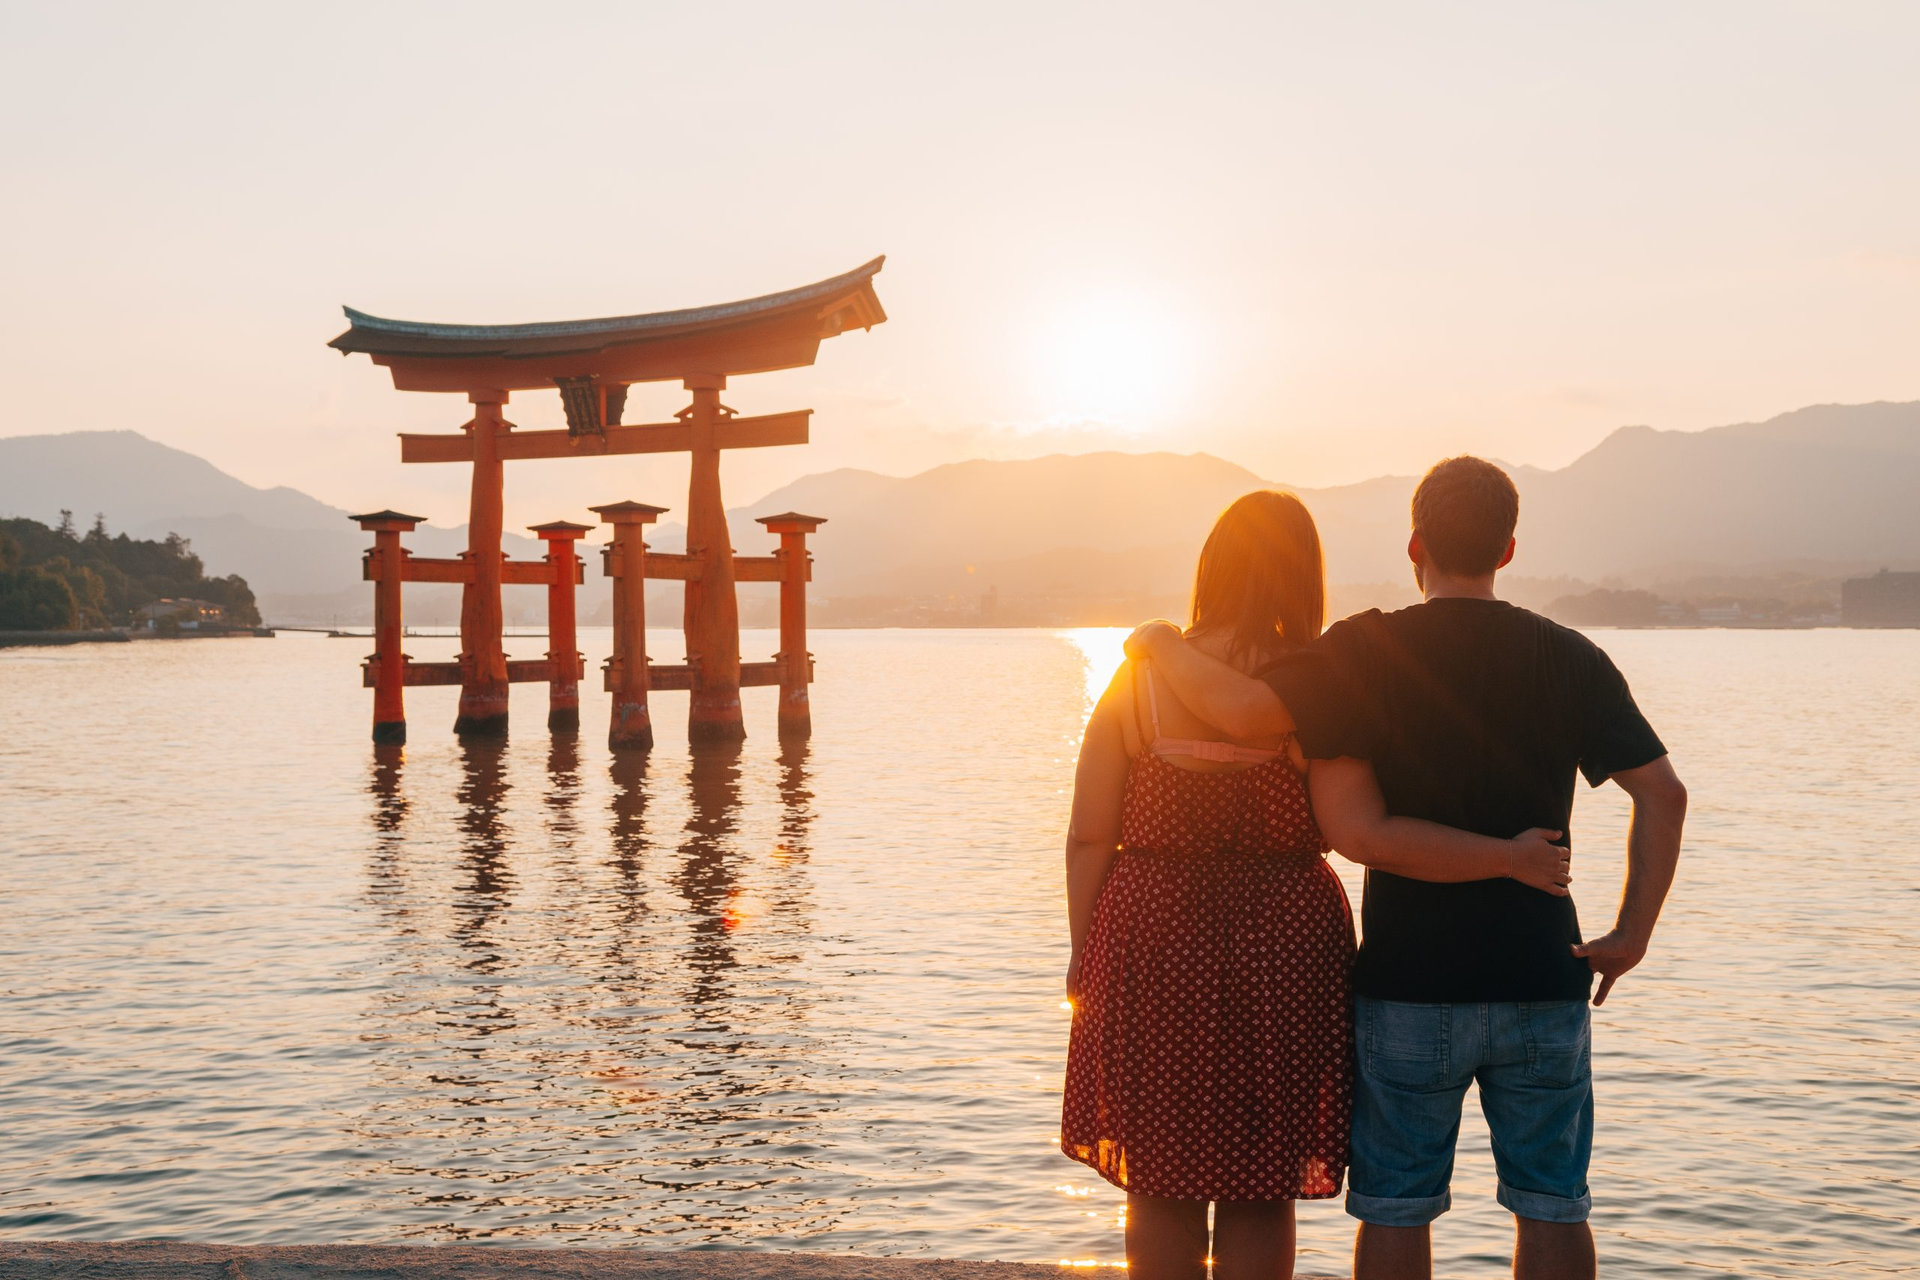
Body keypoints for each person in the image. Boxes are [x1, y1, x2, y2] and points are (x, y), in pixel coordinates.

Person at [1126, 457, 1687, 1280]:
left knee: (1395, 1205)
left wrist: (1159, 644)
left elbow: (1326, 798)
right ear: (1507, 550)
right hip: (1542, 973)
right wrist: (1631, 934)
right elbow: (1664, 796)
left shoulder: (1366, 649)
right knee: (1552, 1200)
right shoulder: (1570, 656)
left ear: (1415, 543)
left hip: (1409, 984)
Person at [1062, 490, 1575, 1280]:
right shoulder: (1317, 690)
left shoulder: (1137, 684)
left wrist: (1084, 953)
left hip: (1151, 933)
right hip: (1284, 944)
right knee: (1260, 1182)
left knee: (1159, 1176)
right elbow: (1353, 828)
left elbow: (1090, 834)